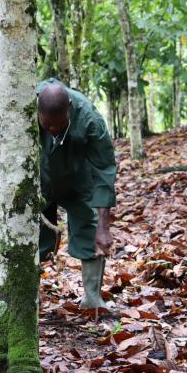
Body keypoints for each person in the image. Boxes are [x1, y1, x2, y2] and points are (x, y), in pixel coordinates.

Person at [36, 79, 116, 309]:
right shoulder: (22, 109)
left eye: (59, 125)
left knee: (89, 231)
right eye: (46, 125)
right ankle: (29, 297)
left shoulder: (90, 119)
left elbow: (104, 169)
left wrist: (103, 226)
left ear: (69, 108)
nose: (52, 130)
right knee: (33, 236)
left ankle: (92, 299)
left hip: (78, 179)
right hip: (38, 179)